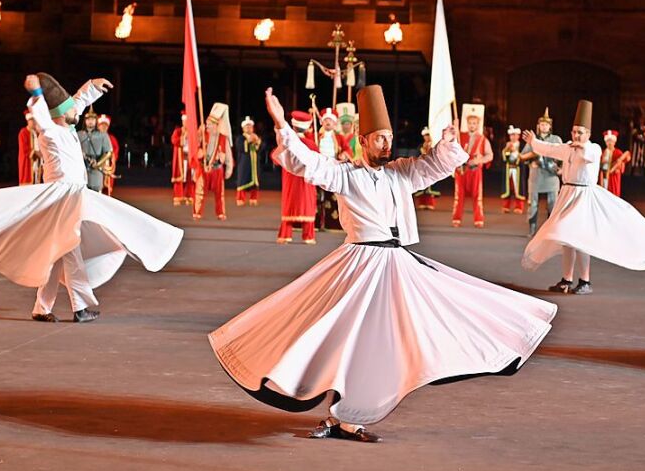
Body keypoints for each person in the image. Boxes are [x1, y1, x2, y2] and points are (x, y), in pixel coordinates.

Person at [209, 85, 556, 442]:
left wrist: (448, 142)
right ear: (362, 141)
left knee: (394, 338)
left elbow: (434, 166)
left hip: (396, 264)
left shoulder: (401, 173)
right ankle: (339, 414)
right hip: (358, 264)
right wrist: (282, 123)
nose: (386, 145)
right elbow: (310, 165)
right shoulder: (347, 175)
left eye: (389, 138)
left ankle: (349, 418)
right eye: (379, 139)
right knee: (344, 337)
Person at [0, 72, 182, 323]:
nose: (78, 113)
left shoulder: (67, 123)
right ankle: (81, 307)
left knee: (57, 254)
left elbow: (77, 103)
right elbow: (43, 117)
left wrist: (91, 87)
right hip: (62, 198)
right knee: (71, 250)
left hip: (73, 195)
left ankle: (43, 307)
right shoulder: (51, 132)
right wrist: (36, 95)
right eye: (71, 112)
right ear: (61, 116)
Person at [522, 100, 645, 295]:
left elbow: (588, 155)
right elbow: (549, 149)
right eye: (574, 132)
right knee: (565, 238)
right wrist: (533, 142)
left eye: (580, 132)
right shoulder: (568, 147)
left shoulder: (593, 148)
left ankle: (585, 281)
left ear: (588, 134)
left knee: (580, 238)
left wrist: (578, 145)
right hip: (567, 195)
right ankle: (567, 279)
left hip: (584, 196)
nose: (576, 135)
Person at [276, 111, 318, 244]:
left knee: (290, 201)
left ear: (293, 127)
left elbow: (276, 157)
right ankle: (308, 236)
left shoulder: (288, 143)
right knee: (307, 202)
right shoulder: (311, 144)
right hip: (306, 178)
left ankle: (285, 234)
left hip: (290, 178)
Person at [520, 107, 562, 236]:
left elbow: (563, 155)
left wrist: (560, 168)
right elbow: (522, 156)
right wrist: (533, 155)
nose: (544, 127)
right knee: (533, 203)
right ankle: (532, 230)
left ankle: (551, 231)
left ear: (550, 127)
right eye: (542, 124)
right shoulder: (533, 140)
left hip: (551, 175)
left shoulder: (556, 139)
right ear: (538, 126)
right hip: (536, 175)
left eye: (546, 125)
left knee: (552, 204)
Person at [451, 104, 493, 228]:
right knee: (459, 196)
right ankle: (456, 218)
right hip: (461, 171)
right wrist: (455, 127)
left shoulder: (482, 139)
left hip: (475, 171)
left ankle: (478, 220)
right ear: (467, 123)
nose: (472, 125)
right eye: (470, 123)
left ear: (478, 124)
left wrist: (480, 160)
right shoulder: (460, 136)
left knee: (477, 196)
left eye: (474, 123)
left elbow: (490, 155)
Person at [194, 103, 233, 221]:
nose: (207, 126)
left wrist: (229, 168)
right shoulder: (203, 134)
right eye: (207, 124)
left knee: (219, 193)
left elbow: (228, 155)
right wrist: (198, 133)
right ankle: (197, 212)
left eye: (209, 124)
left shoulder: (222, 137)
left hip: (217, 169)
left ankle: (220, 213)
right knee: (199, 192)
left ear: (216, 125)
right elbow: (194, 144)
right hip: (203, 168)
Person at [78, 109, 111, 192]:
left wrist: (98, 163)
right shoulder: (79, 134)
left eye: (92, 119)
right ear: (85, 121)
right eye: (88, 119)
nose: (90, 121)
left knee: (96, 192)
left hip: (97, 166)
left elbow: (108, 152)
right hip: (82, 167)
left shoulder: (103, 135)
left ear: (96, 121)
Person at [235, 116, 263, 207]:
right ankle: (240, 199)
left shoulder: (256, 136)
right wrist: (248, 141)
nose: (249, 128)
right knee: (242, 180)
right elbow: (240, 148)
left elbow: (259, 150)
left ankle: (253, 198)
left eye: (250, 126)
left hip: (254, 164)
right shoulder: (240, 138)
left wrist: (258, 142)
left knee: (255, 181)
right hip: (244, 164)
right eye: (247, 127)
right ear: (243, 128)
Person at [171, 111, 195, 206]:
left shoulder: (192, 132)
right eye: (185, 122)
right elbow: (174, 140)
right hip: (180, 158)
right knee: (179, 178)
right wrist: (183, 137)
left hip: (189, 157)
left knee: (189, 178)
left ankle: (189, 196)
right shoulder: (178, 131)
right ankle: (178, 197)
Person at [500, 125, 525, 214]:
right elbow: (504, 158)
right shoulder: (506, 144)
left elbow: (523, 158)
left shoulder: (522, 146)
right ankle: (506, 206)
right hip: (508, 170)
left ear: (518, 136)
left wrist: (515, 151)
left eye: (515, 135)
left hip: (518, 170)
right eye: (512, 135)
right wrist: (507, 149)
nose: (513, 137)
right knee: (508, 188)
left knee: (517, 188)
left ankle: (519, 206)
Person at [413, 127, 439, 210]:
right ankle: (422, 203)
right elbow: (416, 156)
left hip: (432, 168)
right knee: (422, 186)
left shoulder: (434, 145)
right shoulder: (420, 146)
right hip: (422, 168)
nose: (426, 137)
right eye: (425, 135)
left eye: (428, 135)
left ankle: (430, 203)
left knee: (431, 187)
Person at [599, 130, 630, 198]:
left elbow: (626, 159)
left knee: (614, 194)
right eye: (608, 141)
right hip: (604, 176)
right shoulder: (603, 152)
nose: (609, 143)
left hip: (614, 176)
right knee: (604, 193)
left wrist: (620, 163)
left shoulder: (618, 152)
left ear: (614, 142)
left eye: (611, 141)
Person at [97, 114, 120, 196]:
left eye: (105, 125)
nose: (103, 127)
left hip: (107, 166)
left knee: (107, 187)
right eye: (101, 125)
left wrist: (112, 157)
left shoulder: (111, 138)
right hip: (96, 165)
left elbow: (116, 150)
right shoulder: (94, 136)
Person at [18, 111, 42, 185]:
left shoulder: (37, 133)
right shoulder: (23, 132)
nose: (34, 122)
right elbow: (24, 149)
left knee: (37, 179)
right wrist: (35, 152)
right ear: (28, 121)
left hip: (37, 161)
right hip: (29, 161)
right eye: (32, 120)